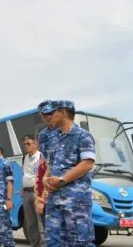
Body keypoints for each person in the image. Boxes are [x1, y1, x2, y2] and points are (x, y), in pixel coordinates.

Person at [42, 100, 96, 247]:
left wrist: (62, 180)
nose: (50, 116)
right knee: (53, 241)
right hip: (54, 199)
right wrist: (45, 179)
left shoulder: (83, 136)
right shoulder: (54, 139)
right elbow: (50, 165)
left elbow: (87, 164)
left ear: (63, 113)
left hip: (75, 200)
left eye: (53, 112)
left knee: (80, 242)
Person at [21, 135, 45, 247]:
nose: (26, 146)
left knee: (40, 223)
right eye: (25, 144)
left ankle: (43, 245)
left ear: (35, 144)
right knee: (30, 223)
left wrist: (42, 195)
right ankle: (34, 244)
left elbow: (44, 175)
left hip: (37, 193)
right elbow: (25, 174)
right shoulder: (24, 158)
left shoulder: (41, 156)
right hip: (27, 193)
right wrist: (23, 188)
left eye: (28, 143)